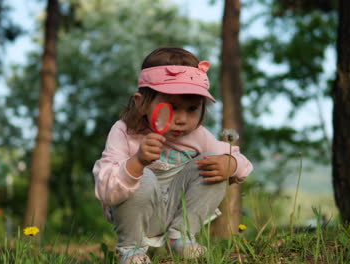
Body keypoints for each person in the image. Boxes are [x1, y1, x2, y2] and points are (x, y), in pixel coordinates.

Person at [92, 47, 253, 264]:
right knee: (144, 175)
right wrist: (137, 162)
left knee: (211, 164)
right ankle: (131, 249)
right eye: (173, 107)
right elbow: (107, 190)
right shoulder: (124, 132)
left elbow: (242, 162)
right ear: (141, 103)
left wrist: (231, 164)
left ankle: (182, 237)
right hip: (137, 215)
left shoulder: (198, 136)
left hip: (178, 211)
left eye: (192, 108)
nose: (181, 119)